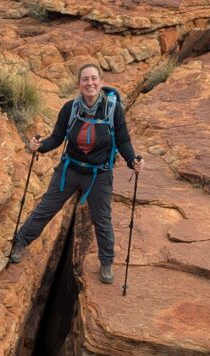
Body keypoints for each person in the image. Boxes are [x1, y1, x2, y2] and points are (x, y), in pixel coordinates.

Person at [9, 62, 143, 284]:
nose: (89, 83)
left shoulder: (112, 109)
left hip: (99, 175)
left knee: (102, 219)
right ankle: (21, 241)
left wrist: (132, 160)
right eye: (85, 79)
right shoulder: (70, 108)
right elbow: (57, 138)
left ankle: (107, 262)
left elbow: (122, 140)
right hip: (69, 170)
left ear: (100, 82)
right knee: (46, 208)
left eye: (93, 79)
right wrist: (39, 146)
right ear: (79, 84)